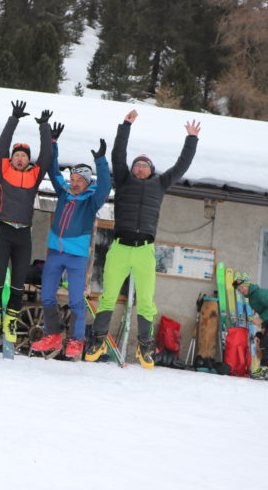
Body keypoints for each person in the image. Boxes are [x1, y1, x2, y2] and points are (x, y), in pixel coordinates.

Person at [85, 110, 200, 368]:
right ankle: (98, 339)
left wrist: (191, 139)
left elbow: (182, 165)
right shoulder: (123, 180)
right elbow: (118, 154)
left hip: (145, 251)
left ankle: (145, 348)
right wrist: (125, 125)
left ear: (151, 170)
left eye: (144, 165)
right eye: (137, 164)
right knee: (109, 295)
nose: (139, 168)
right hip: (120, 248)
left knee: (146, 301)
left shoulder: (160, 183)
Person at [30, 125, 111, 358]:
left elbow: (105, 185)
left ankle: (76, 340)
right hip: (55, 253)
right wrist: (53, 143)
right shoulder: (64, 192)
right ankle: (53, 335)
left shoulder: (92, 200)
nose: (74, 182)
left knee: (76, 300)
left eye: (78, 180)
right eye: (72, 178)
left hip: (77, 256)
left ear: (86, 182)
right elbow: (53, 170)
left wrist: (101, 161)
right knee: (46, 295)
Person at [0, 101, 53, 345]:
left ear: (28, 160)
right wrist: (14, 118)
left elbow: (47, 156)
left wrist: (44, 127)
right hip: (3, 231)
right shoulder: (3, 170)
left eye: (24, 156)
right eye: (17, 155)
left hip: (23, 235)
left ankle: (11, 320)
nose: (20, 158)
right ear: (11, 159)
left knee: (18, 281)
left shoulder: (34, 175)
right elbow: (2, 145)